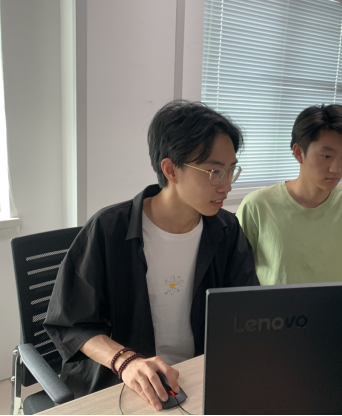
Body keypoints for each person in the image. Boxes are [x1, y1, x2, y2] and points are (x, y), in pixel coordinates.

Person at [44, 101, 259, 411]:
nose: (226, 186)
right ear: (171, 169)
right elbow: (71, 324)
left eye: (230, 170)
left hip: (198, 375)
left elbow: (246, 310)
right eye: (214, 171)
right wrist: (125, 361)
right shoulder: (108, 229)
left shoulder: (226, 230)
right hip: (124, 383)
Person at [237, 104, 342, 286]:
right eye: (326, 156)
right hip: (276, 305)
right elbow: (236, 276)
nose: (336, 169)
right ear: (298, 153)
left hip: (334, 304)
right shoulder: (257, 205)